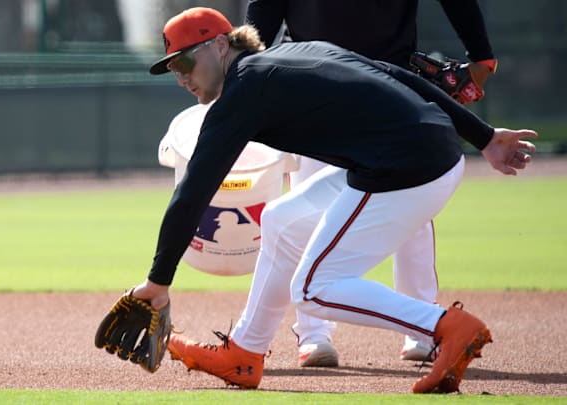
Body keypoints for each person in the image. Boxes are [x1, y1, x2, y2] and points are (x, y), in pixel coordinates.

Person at [137, 7, 536, 392]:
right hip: (419, 153)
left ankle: (445, 326)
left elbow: (192, 193)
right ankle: (244, 353)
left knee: (314, 289)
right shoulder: (294, 51)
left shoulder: (244, 92)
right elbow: (395, 74)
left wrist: (158, 282)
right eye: (172, 69)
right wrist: (482, 137)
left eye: (182, 64)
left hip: (408, 169)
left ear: (220, 46)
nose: (179, 78)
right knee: (283, 220)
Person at [245, 0, 500, 368]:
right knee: (305, 210)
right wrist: (251, 67)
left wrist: (482, 54)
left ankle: (423, 331)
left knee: (408, 211)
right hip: (310, 80)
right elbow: (266, 7)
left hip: (392, 82)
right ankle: (314, 334)